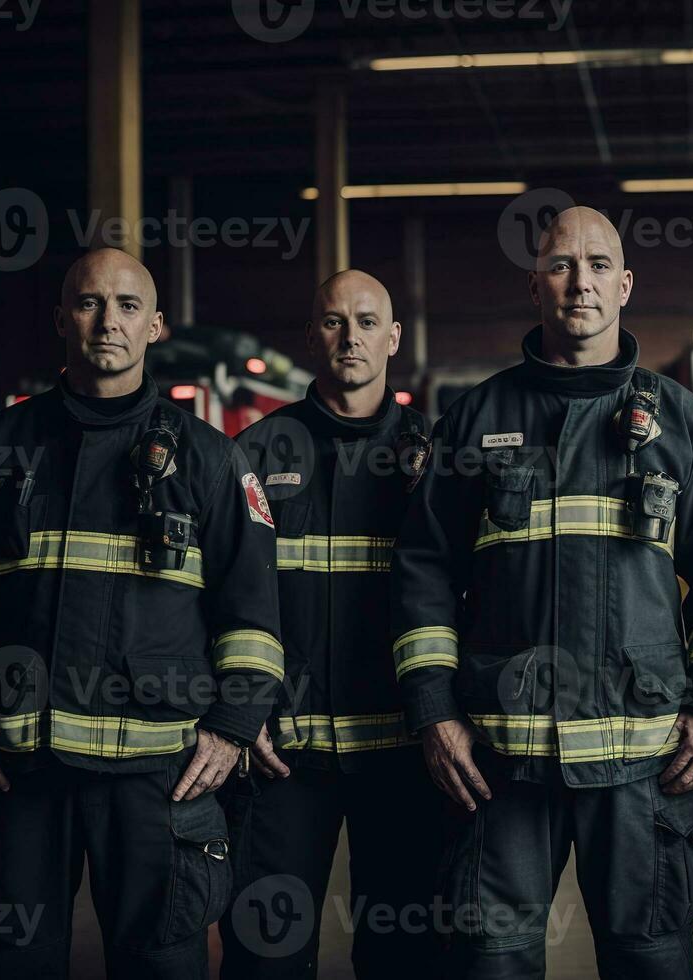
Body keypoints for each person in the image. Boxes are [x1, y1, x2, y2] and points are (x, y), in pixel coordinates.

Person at [389, 206, 693, 979]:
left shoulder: (683, 424)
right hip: (499, 763)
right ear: (535, 286)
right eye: (561, 265)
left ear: (624, 285)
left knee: (650, 961)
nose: (579, 281)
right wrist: (435, 715)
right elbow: (423, 572)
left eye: (597, 266)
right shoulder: (475, 420)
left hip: (643, 769)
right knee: (492, 963)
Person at [0, 247, 282, 978]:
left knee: (162, 965)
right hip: (17, 772)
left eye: (127, 306)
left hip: (157, 777)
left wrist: (233, 727)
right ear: (61, 319)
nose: (107, 321)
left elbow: (252, 618)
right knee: (6, 963)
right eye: (88, 303)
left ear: (155, 327)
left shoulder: (211, 463)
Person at [220, 270, 444, 978]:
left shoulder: (435, 457)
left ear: (394, 338)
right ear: (311, 334)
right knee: (266, 956)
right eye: (333, 322)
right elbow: (218, 595)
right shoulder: (256, 452)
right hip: (280, 757)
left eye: (368, 321)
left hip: (404, 757)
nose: (351, 338)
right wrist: (238, 712)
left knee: (404, 955)